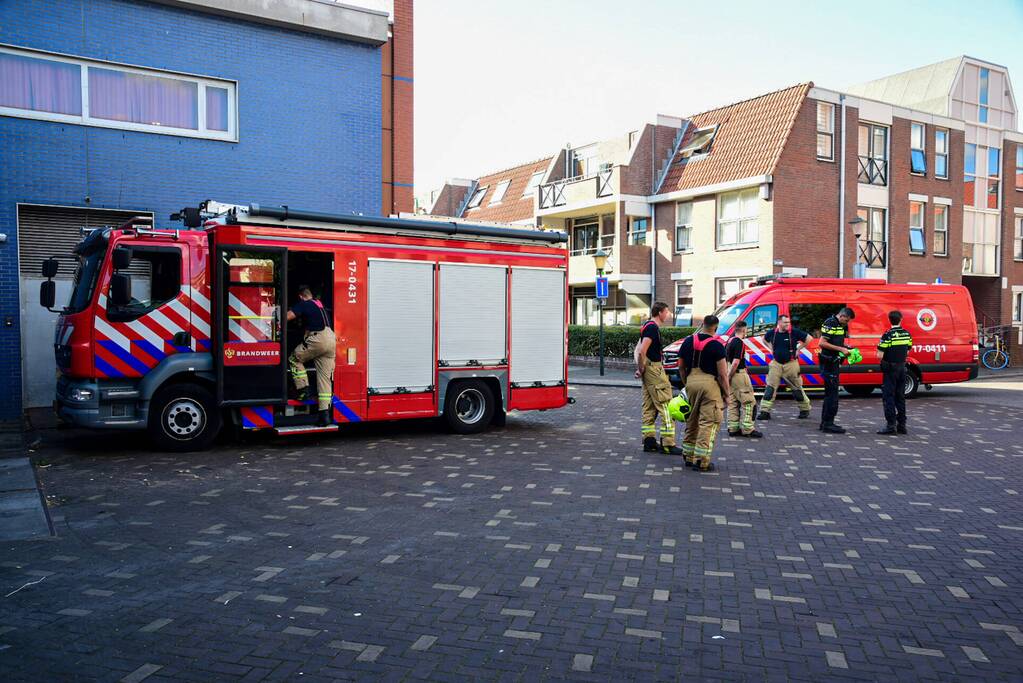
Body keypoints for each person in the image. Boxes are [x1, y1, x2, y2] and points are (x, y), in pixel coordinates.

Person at [678, 315, 730, 472]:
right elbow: (722, 374)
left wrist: (687, 383)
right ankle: (701, 460)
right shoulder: (717, 346)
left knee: (692, 419)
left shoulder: (687, 341)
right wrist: (727, 394)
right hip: (709, 386)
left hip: (691, 382)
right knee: (708, 422)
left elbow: (681, 367)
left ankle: (688, 455)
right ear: (716, 328)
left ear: (702, 324)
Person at [635, 302, 684, 455]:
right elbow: (642, 351)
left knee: (649, 406)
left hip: (649, 370)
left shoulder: (647, 325)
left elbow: (640, 350)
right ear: (660, 312)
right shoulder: (652, 328)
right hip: (654, 370)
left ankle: (649, 441)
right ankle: (668, 443)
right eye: (667, 312)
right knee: (667, 406)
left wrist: (641, 368)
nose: (668, 315)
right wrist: (641, 368)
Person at [287, 285, 336, 426]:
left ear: (301, 296)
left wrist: (271, 317)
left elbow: (288, 317)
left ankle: (303, 390)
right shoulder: (320, 305)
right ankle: (324, 415)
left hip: (318, 339)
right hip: (331, 340)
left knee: (294, 358)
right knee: (324, 379)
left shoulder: (304, 304)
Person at [759, 314, 811, 420]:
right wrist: (770, 348)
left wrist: (798, 349)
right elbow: (764, 339)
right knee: (770, 389)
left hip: (791, 364)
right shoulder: (772, 333)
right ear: (779, 323)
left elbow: (809, 338)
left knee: (797, 389)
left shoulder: (794, 332)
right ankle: (764, 411)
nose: (788, 324)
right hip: (776, 364)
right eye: (785, 322)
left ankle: (804, 409)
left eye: (788, 322)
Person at [817, 307, 856, 434]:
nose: (847, 323)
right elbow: (822, 343)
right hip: (828, 363)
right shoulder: (830, 323)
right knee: (832, 395)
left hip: (833, 362)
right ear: (842, 316)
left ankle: (825, 423)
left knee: (830, 394)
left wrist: (846, 347)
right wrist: (841, 349)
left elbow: (835, 342)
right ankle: (828, 424)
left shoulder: (839, 325)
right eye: (847, 320)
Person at [876, 310, 913, 435]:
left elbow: (879, 355)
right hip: (902, 368)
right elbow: (907, 351)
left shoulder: (887, 335)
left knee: (889, 397)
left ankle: (891, 425)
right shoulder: (907, 334)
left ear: (889, 320)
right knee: (900, 397)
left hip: (890, 369)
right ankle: (902, 425)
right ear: (901, 319)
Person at [725, 321, 762, 438]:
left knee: (733, 402)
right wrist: (729, 376)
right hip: (739, 375)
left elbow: (727, 361)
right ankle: (748, 429)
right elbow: (736, 362)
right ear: (744, 330)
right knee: (749, 402)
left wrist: (727, 377)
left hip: (730, 374)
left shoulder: (729, 341)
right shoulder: (739, 342)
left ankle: (733, 428)